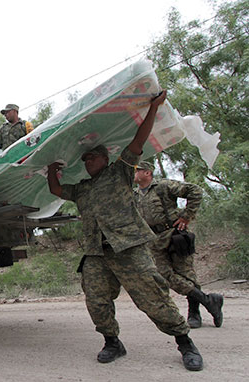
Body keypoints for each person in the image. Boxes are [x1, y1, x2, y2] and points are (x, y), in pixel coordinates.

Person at [46, 91, 204, 372]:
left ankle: (185, 343)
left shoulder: (120, 171)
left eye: (92, 157)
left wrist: (153, 108)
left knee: (152, 297)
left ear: (105, 158)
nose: (88, 161)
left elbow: (139, 140)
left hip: (128, 248)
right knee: (96, 300)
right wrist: (51, 169)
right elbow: (56, 190)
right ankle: (112, 342)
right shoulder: (82, 188)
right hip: (96, 252)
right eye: (85, 159)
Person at [134, 161, 223, 329]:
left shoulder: (163, 186)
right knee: (165, 274)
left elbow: (195, 191)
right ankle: (209, 301)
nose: (134, 174)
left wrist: (187, 215)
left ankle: (194, 313)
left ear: (147, 173)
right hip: (154, 239)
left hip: (174, 235)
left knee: (186, 273)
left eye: (136, 170)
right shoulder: (136, 194)